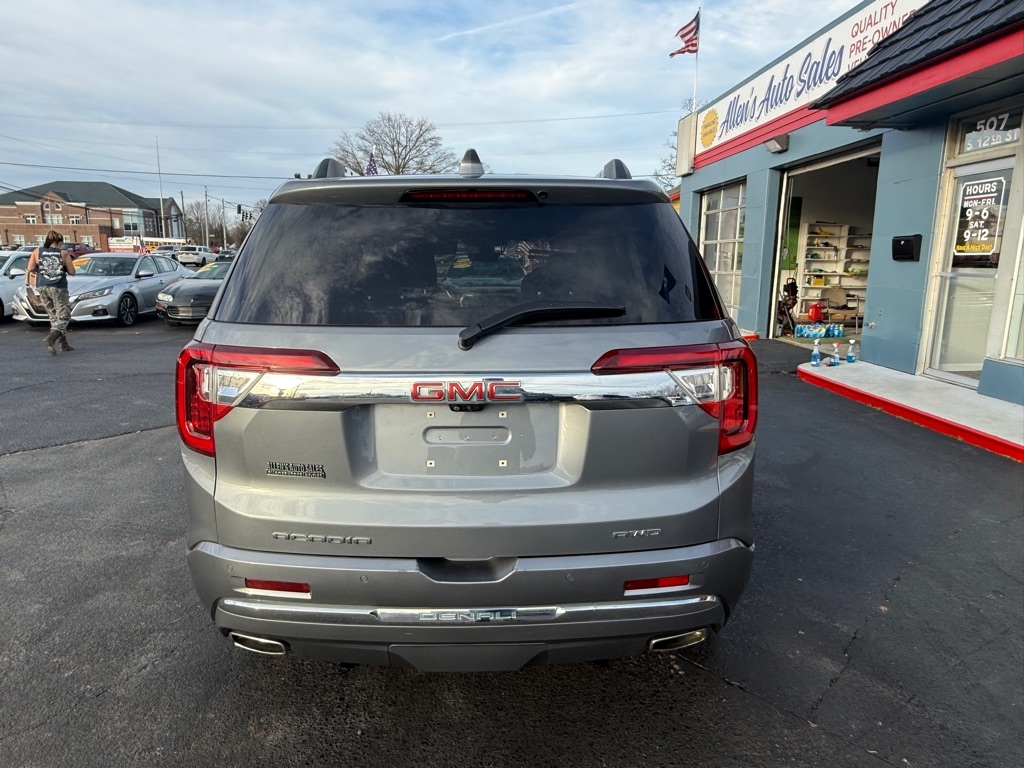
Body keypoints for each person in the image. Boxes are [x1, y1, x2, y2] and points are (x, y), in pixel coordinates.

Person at [26, 230, 76, 354]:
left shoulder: (37, 251)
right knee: (64, 315)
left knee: (53, 316)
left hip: (42, 286)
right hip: (58, 287)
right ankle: (51, 338)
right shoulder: (63, 253)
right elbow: (72, 272)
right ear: (59, 242)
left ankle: (63, 344)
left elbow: (31, 268)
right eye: (61, 243)